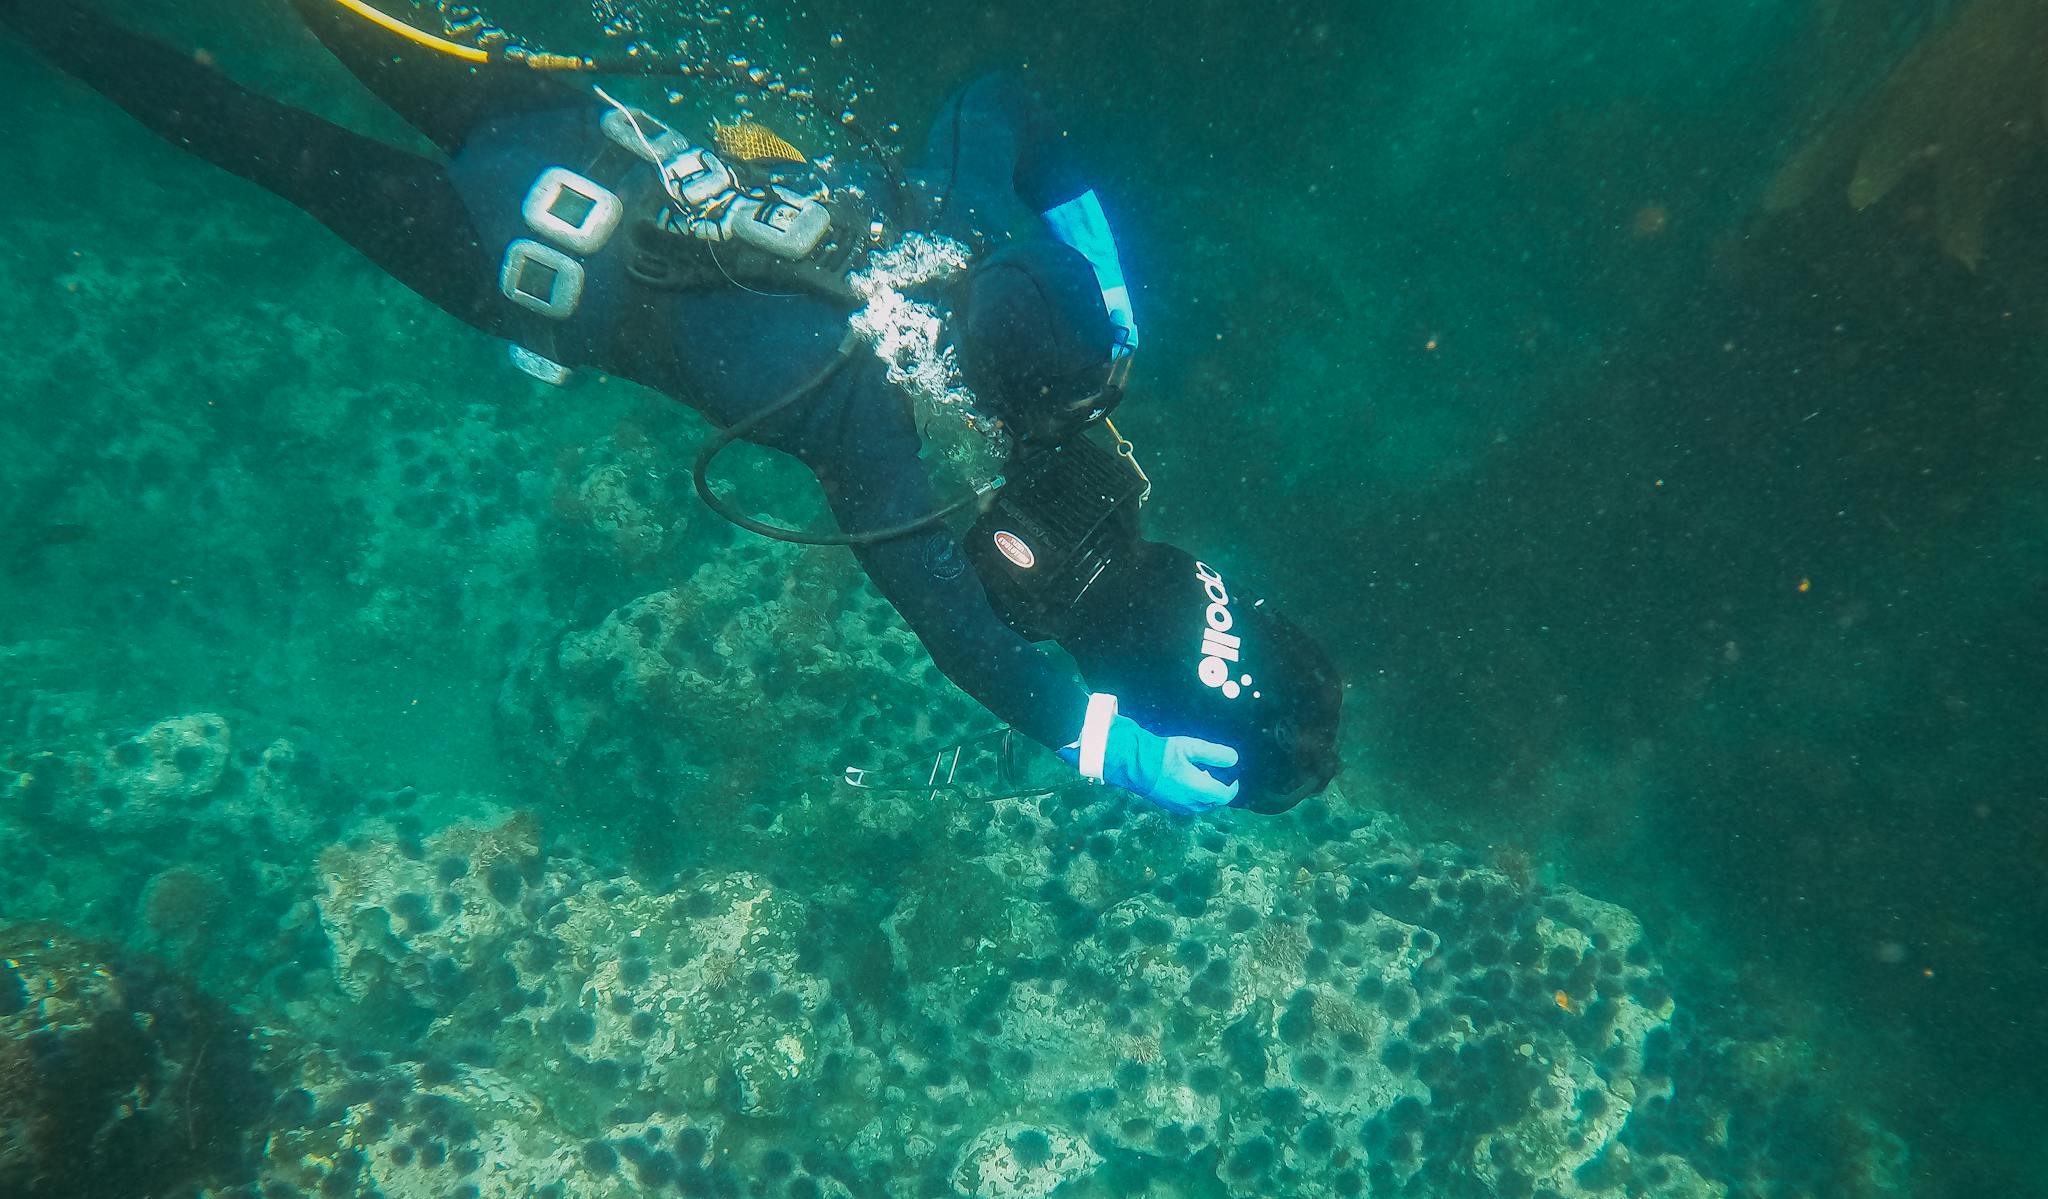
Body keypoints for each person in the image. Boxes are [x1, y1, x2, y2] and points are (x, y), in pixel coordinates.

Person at [3, 0, 1342, 814]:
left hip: (563, 127)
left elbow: (996, 99)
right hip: (517, 266)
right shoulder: (853, 417)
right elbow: (953, 623)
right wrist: (1101, 742)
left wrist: (1086, 246)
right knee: (238, 130)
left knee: (331, 26)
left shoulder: (949, 219)